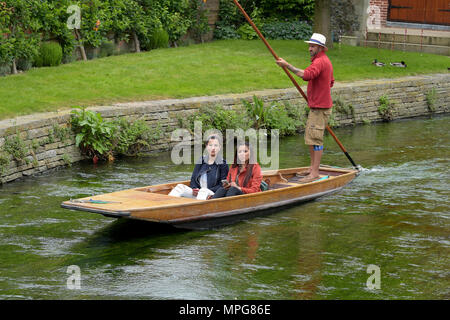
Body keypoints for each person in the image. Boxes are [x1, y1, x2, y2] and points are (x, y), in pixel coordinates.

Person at [276, 33, 334, 183]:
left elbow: (306, 75)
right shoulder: (323, 61)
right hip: (317, 106)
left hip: (320, 108)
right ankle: (312, 168)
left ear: (320, 48)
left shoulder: (320, 62)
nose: (309, 48)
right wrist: (318, 91)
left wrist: (287, 65)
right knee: (310, 138)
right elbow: (331, 82)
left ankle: (314, 172)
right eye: (309, 45)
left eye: (312, 46)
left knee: (315, 139)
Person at [169, 135, 229, 200]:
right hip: (198, 193)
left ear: (220, 147)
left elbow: (223, 185)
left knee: (203, 191)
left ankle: (197, 208)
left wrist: (205, 190)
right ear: (206, 146)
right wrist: (195, 188)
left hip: (212, 194)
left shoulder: (223, 164)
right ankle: (166, 205)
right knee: (180, 187)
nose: (213, 148)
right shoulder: (201, 160)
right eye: (210, 145)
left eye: (216, 145)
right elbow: (193, 179)